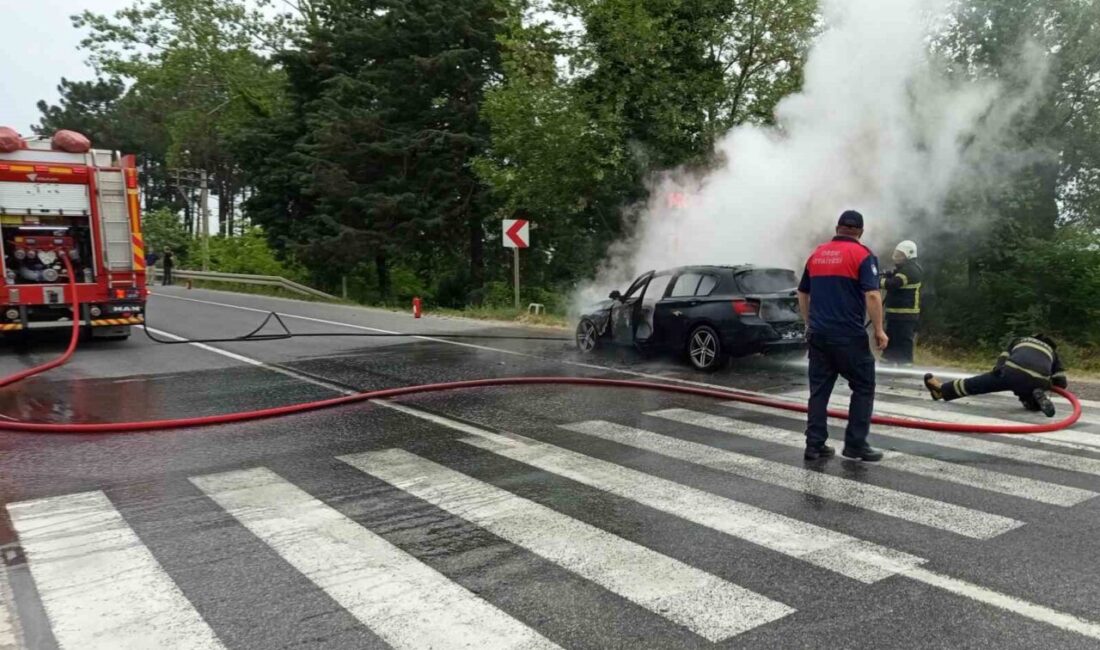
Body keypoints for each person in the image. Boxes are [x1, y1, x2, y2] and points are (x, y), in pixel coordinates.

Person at [797, 210, 888, 462]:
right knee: (863, 386)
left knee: (819, 391)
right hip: (848, 335)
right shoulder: (863, 254)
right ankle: (855, 445)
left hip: (819, 335)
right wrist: (879, 330)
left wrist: (808, 323)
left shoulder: (817, 254)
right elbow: (871, 295)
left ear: (837, 228)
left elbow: (802, 293)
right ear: (859, 231)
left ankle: (814, 446)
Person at [924, 334, 1068, 417]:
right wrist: (1048, 384)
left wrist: (998, 370)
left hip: (1012, 372)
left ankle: (941, 390)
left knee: (975, 384)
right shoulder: (1053, 354)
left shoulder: (1021, 340)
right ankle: (1036, 400)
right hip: (1039, 381)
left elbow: (1004, 356)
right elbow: (1061, 382)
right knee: (1029, 394)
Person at [880, 240, 922, 366]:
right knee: (892, 336)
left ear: (909, 255)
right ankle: (888, 360)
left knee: (904, 338)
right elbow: (894, 276)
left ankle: (905, 363)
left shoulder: (911, 270)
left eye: (900, 255)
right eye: (896, 254)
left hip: (906, 313)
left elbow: (893, 284)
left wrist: (877, 281)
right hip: (896, 312)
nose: (896, 257)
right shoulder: (903, 269)